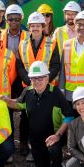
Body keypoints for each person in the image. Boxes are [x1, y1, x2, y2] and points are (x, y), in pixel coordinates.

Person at [2, 61, 73, 167]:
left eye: (41, 78)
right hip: (36, 139)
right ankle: (47, 160)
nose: (37, 81)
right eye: (34, 78)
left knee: (54, 149)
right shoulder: (27, 92)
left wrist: (58, 135)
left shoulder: (55, 93)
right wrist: (3, 100)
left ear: (47, 78)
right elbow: (17, 104)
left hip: (54, 136)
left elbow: (69, 116)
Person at [17, 11, 62, 158]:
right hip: (29, 88)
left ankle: (47, 146)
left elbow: (56, 65)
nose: (35, 28)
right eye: (32, 26)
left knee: (45, 118)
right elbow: (19, 66)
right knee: (26, 118)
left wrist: (43, 81)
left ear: (43, 27)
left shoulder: (52, 43)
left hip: (47, 88)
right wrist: (29, 80)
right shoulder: (22, 44)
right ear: (29, 27)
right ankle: (24, 143)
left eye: (38, 25)